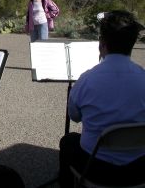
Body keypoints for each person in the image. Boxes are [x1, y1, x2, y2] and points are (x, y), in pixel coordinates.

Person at [59, 10, 145, 187]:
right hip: (138, 170)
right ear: (132, 44)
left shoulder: (87, 79)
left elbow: (74, 116)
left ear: (102, 44)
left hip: (96, 169)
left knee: (68, 141)